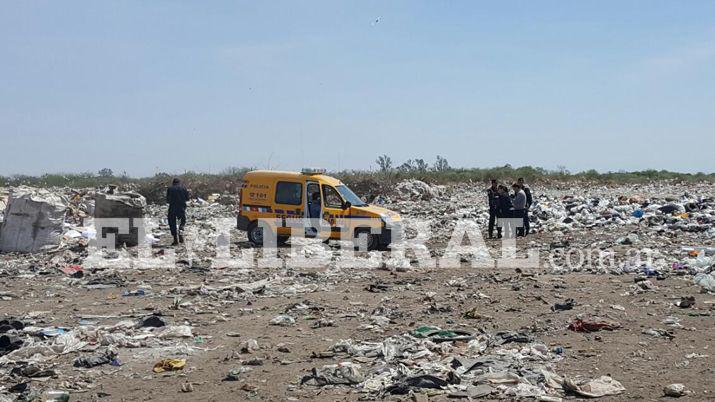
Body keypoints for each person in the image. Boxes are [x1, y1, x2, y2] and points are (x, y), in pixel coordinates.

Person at [166, 178, 190, 245]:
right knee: (182, 221)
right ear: (179, 182)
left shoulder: (170, 189)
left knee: (172, 222)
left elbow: (168, 200)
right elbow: (187, 199)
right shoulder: (184, 188)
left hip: (172, 208)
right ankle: (181, 229)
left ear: (173, 183)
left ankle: (175, 240)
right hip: (181, 207)